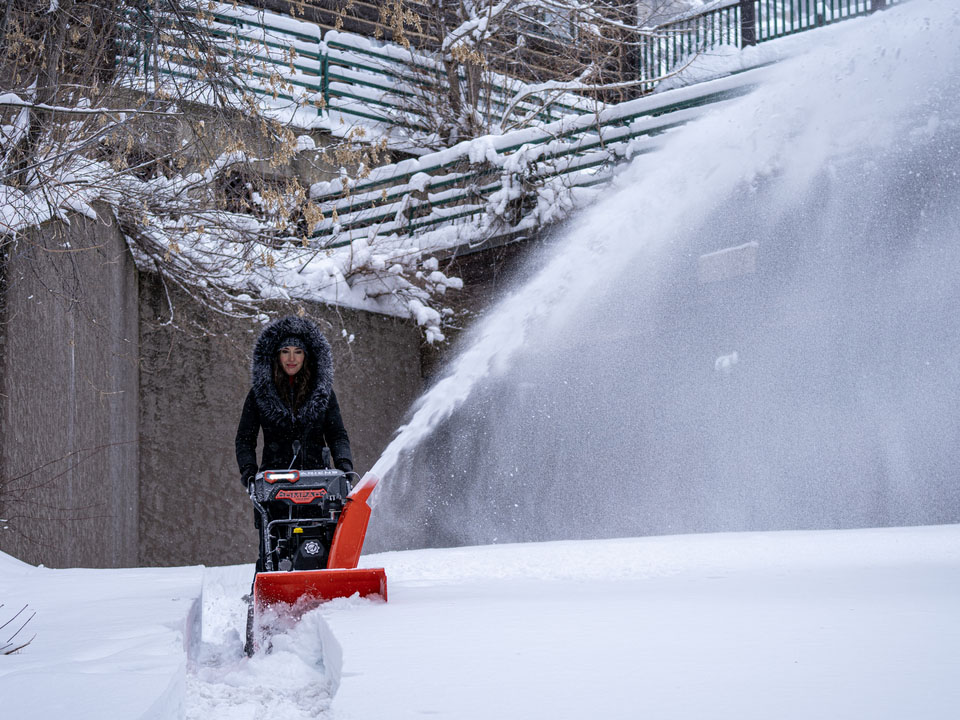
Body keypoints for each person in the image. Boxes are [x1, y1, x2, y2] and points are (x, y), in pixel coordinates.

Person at [235, 315, 353, 487]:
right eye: (285, 351)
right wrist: (249, 471)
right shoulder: (259, 394)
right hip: (273, 487)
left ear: (306, 355)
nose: (291, 359)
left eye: (298, 352)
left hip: (318, 485)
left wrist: (344, 465)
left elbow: (337, 435)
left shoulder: (323, 393)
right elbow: (245, 439)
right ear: (276, 355)